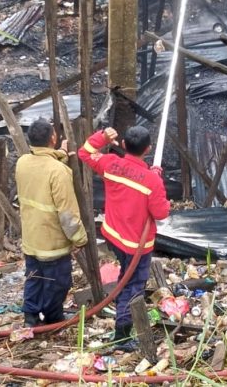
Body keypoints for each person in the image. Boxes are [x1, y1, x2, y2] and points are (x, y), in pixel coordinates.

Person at [78, 125, 170, 349]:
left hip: (113, 236)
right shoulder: (152, 182)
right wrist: (157, 183)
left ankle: (122, 309)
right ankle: (122, 333)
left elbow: (84, 152)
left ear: (125, 145)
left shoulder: (111, 163)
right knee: (134, 285)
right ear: (147, 149)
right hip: (136, 244)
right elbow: (161, 213)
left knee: (125, 278)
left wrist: (101, 136)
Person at [15, 117, 87, 327]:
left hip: (31, 239)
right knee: (58, 284)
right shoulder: (59, 172)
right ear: (53, 137)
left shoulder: (23, 162)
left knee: (34, 278)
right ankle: (53, 319)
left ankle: (30, 316)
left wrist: (61, 154)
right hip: (52, 242)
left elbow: (43, 168)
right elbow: (67, 215)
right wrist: (80, 239)